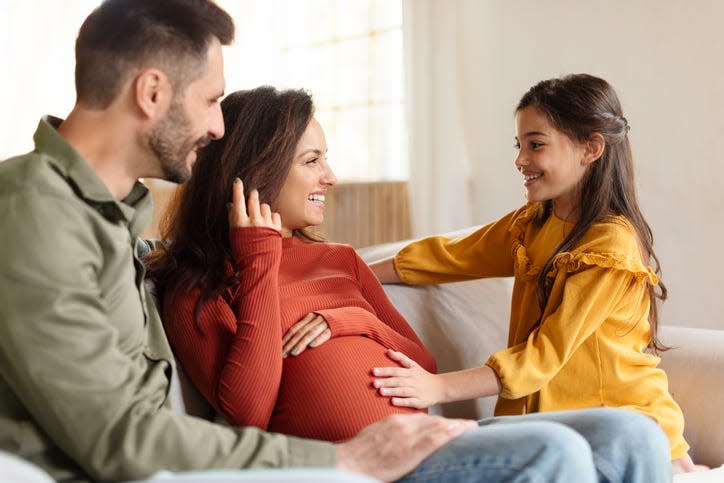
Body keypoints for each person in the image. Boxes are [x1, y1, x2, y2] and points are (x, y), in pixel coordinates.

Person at [0, 0, 672, 479]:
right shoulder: (56, 220)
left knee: (630, 430)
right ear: (152, 92)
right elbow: (236, 413)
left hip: (415, 433)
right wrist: (257, 263)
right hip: (351, 452)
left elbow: (413, 355)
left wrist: (348, 313)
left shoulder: (116, 217)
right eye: (211, 102)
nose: (214, 131)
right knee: (555, 456)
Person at [368, 73, 706, 474]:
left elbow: (543, 356)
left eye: (536, 145)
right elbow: (449, 256)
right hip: (545, 428)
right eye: (520, 145)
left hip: (620, 424)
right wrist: (352, 272)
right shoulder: (531, 225)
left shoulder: (610, 244)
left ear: (591, 148)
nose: (520, 159)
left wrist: (438, 386)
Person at [145, 86, 437, 443]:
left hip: (426, 446)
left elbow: (424, 364)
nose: (330, 177)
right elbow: (248, 413)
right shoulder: (196, 283)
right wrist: (259, 261)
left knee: (528, 438)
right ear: (258, 169)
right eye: (312, 161)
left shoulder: (341, 258)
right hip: (347, 467)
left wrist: (349, 320)